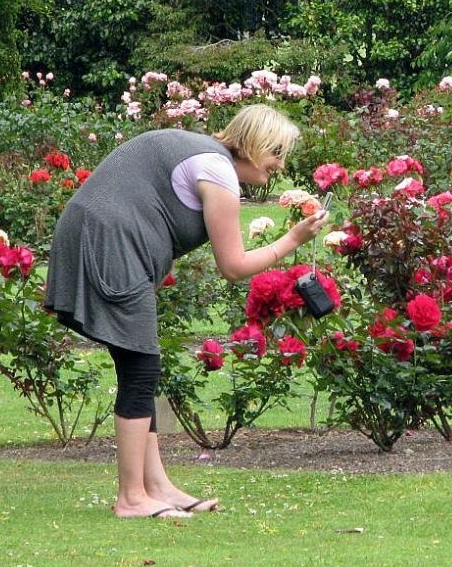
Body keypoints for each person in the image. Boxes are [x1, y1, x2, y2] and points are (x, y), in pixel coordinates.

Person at [44, 104, 328, 519]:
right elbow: (232, 266)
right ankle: (132, 498)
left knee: (139, 365)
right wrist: (292, 239)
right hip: (110, 245)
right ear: (253, 145)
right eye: (276, 153)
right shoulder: (217, 172)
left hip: (104, 239)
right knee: (141, 366)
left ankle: (155, 486)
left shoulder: (203, 156)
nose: (280, 166)